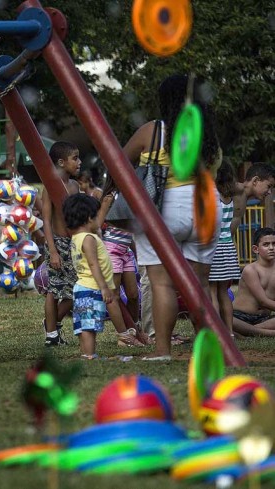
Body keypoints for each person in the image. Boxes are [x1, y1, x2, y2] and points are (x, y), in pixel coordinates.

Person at [121, 74, 222, 361]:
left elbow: (117, 161)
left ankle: (162, 351)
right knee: (201, 285)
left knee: (162, 284)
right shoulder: (208, 133)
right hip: (207, 205)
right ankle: (209, 351)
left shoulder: (153, 130)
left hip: (166, 206)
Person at [40, 141, 81, 346]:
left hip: (73, 243)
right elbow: (46, 220)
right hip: (55, 242)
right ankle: (51, 335)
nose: (79, 162)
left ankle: (51, 323)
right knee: (54, 289)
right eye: (75, 158)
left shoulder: (75, 186)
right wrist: (53, 251)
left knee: (76, 288)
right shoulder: (50, 185)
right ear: (61, 162)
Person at [63, 194, 113, 359]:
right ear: (89, 218)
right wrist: (104, 287)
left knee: (83, 323)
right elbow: (93, 264)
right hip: (91, 287)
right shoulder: (89, 239)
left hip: (82, 287)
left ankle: (86, 353)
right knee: (89, 325)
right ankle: (90, 355)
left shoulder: (76, 237)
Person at [97, 191, 147, 346]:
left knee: (133, 294)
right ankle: (123, 336)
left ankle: (135, 330)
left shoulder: (129, 195)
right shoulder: (111, 197)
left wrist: (137, 253)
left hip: (125, 250)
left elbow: (129, 231)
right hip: (111, 249)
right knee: (114, 295)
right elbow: (97, 225)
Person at [208, 162, 241, 336]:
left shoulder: (213, 196)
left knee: (212, 290)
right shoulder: (230, 197)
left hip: (214, 247)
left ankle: (216, 331)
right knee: (224, 291)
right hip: (228, 247)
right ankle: (229, 331)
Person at [232, 228, 275, 336]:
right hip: (240, 316)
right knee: (222, 317)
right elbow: (263, 301)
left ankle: (248, 331)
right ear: (256, 249)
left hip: (264, 319)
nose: (271, 248)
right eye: (266, 244)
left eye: (274, 244)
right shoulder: (250, 270)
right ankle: (268, 333)